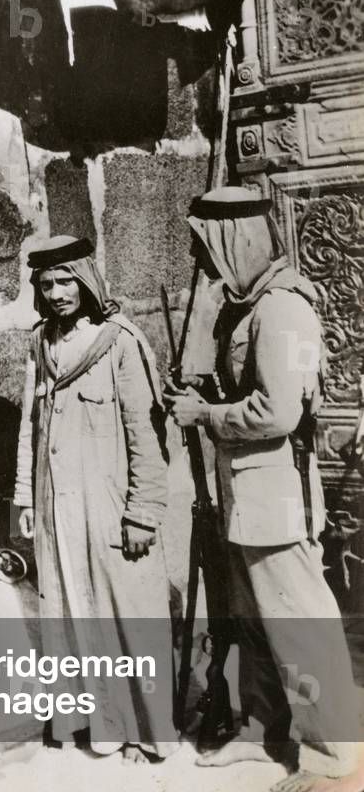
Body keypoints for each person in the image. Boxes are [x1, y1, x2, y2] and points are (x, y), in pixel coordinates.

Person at [163, 187, 360, 792]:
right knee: (252, 623)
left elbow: (277, 412)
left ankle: (332, 752)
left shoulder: (282, 308)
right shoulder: (242, 306)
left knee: (298, 622)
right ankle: (262, 731)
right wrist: (201, 391)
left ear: (235, 240)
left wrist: (207, 416)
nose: (203, 263)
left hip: (276, 494)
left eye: (207, 248)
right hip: (243, 494)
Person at [14, 234, 179, 763]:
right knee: (71, 613)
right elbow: (29, 428)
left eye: (66, 281)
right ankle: (95, 725)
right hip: (57, 508)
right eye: (47, 284)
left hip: (110, 508)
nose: (58, 292)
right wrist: (25, 499)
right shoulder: (40, 343)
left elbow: (146, 437)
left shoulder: (120, 341)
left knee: (128, 615)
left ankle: (147, 733)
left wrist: (143, 513)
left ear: (85, 280)